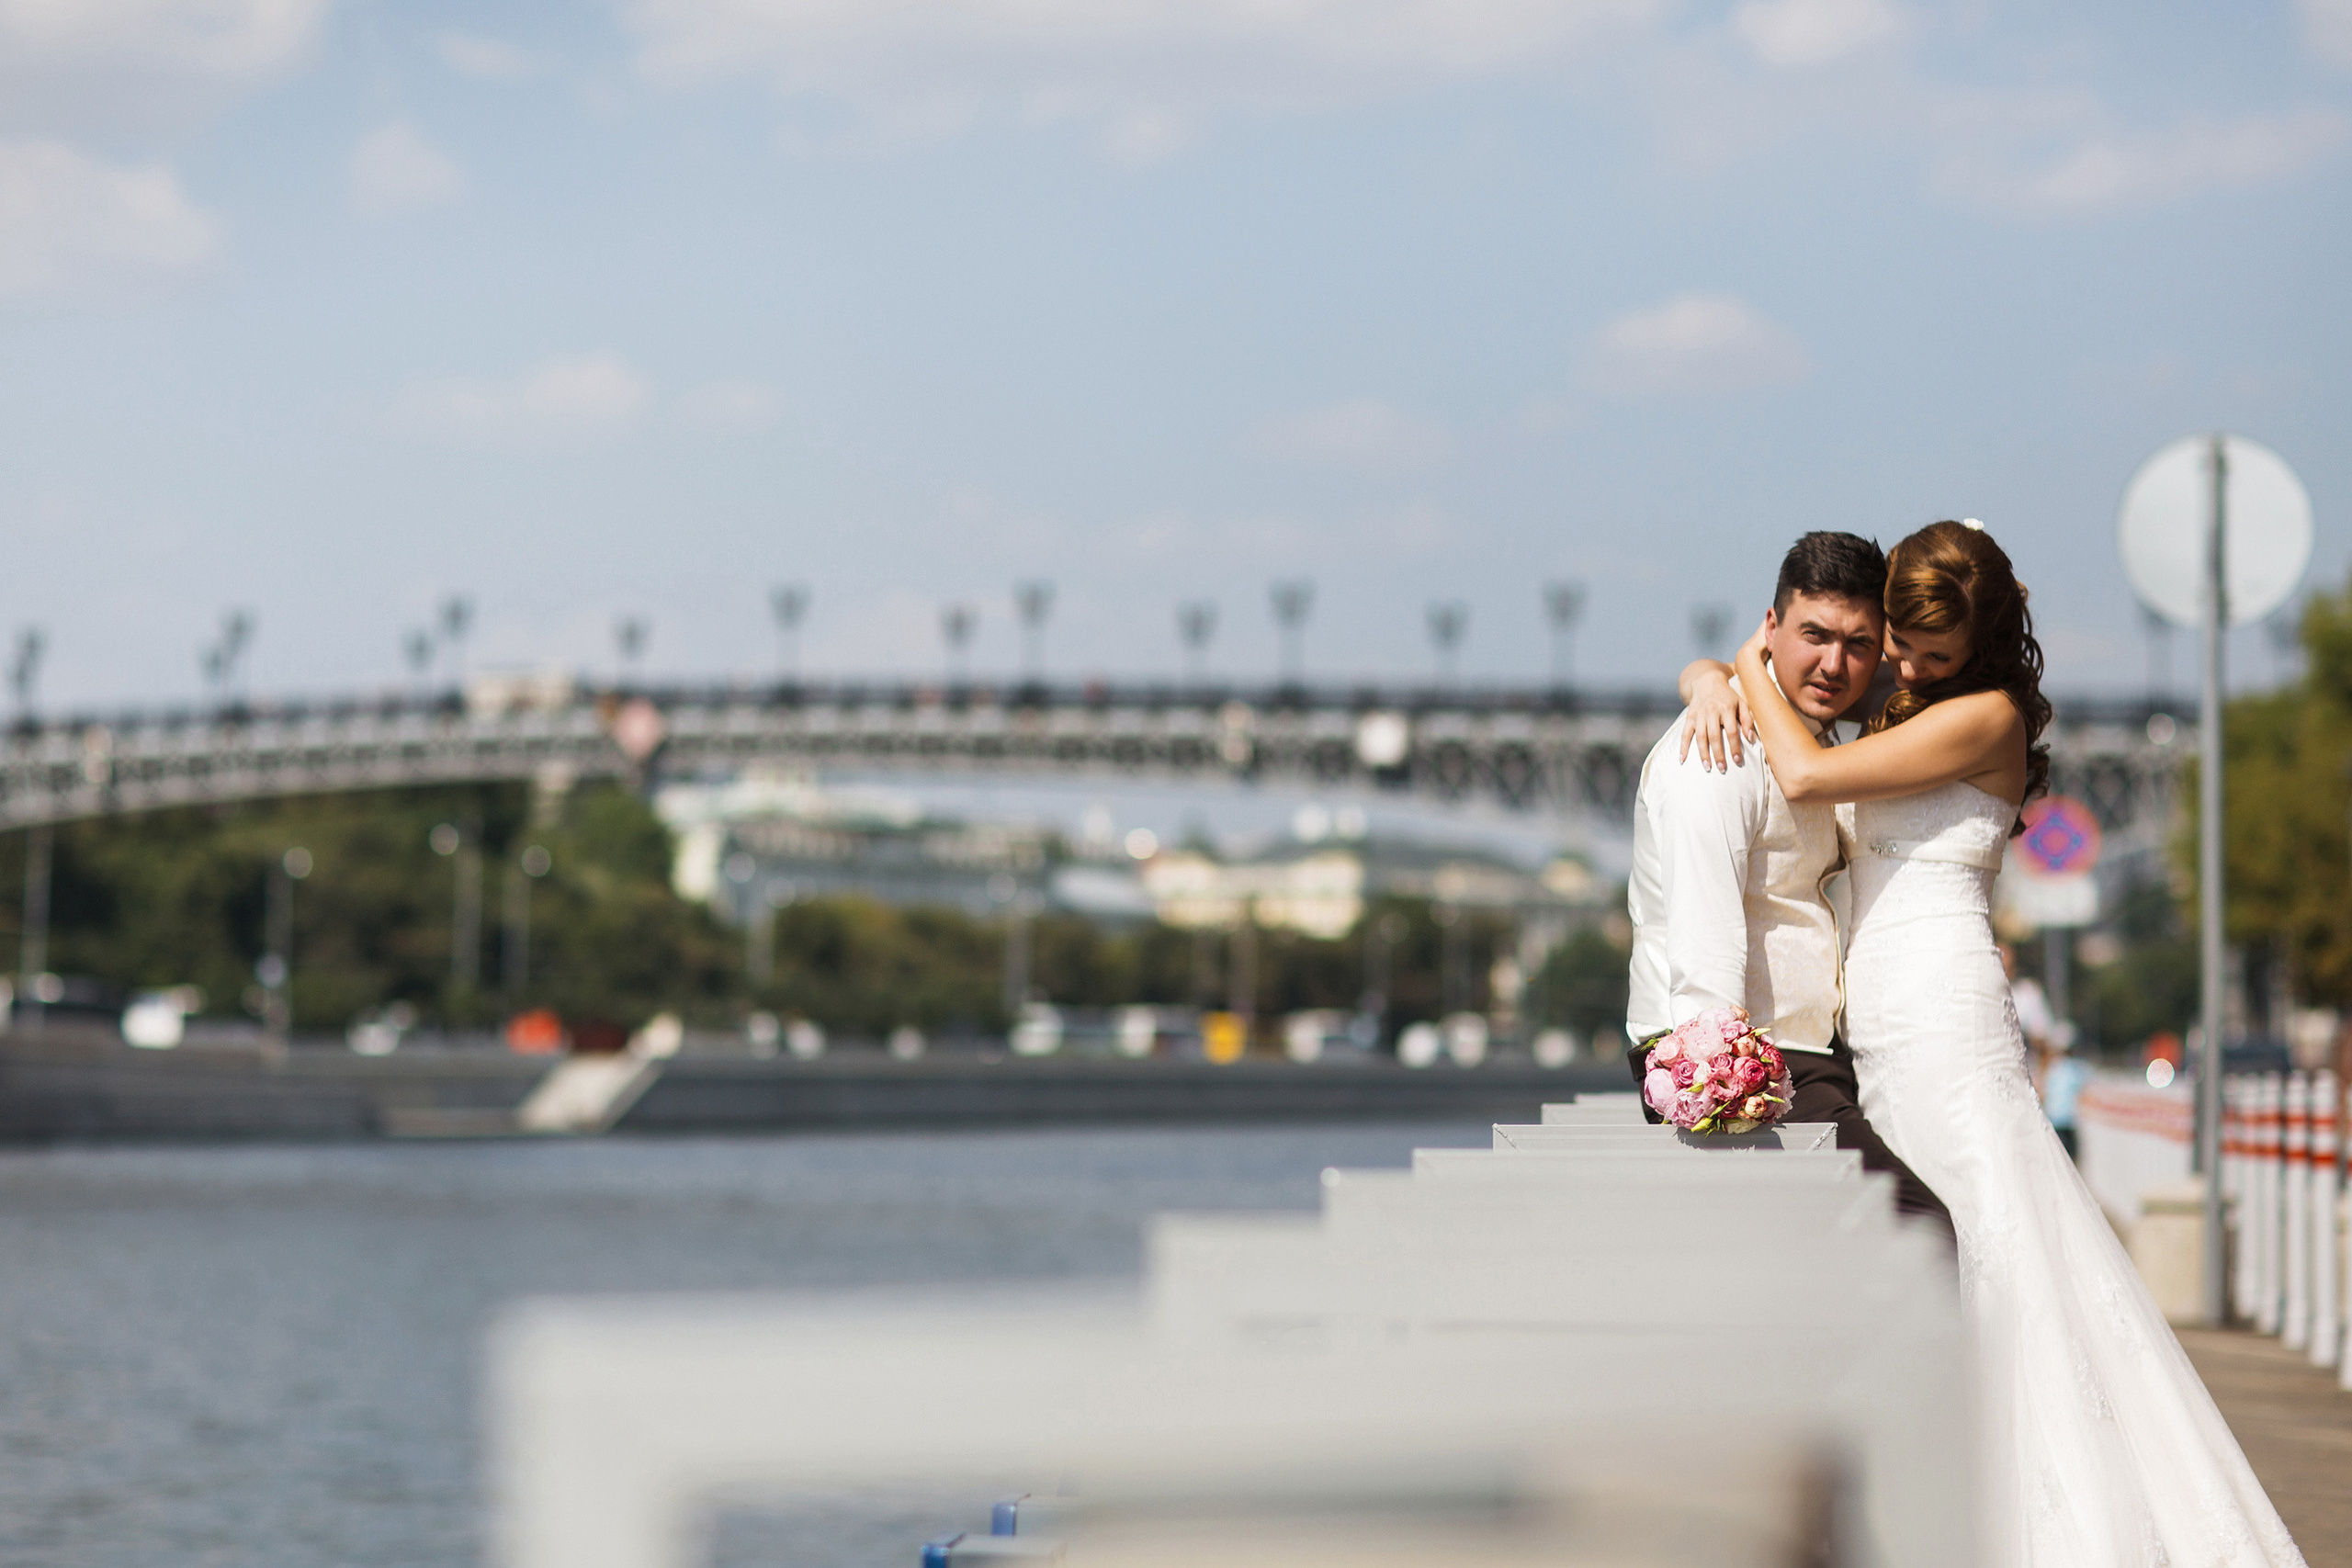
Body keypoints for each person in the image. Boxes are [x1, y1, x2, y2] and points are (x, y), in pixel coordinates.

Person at [1711, 520, 2301, 1566]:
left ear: (1983, 646)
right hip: (1879, 1021)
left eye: (1931, 656)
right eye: (1897, 645)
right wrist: (1699, 676)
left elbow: (1803, 777)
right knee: (1928, 1242)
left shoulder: (1985, 719)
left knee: (1992, 1235)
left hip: (1942, 1011)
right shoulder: (1910, 707)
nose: (1900, 666)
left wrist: (1740, 662)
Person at [1624, 531, 1953, 1241]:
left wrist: (1707, 671)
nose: (1835, 663)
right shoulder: (1716, 745)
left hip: (1810, 1056)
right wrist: (1725, 1089)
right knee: (1924, 1234)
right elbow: (1703, 936)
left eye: (1859, 644)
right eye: (1815, 634)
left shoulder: (1811, 734)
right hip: (1745, 1064)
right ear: (1769, 628)